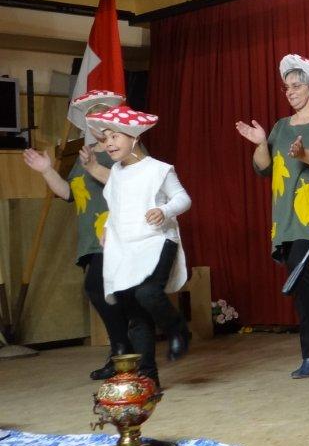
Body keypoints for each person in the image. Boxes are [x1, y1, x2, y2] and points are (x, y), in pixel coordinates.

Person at [235, 54, 309, 379]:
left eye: (296, 86)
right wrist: (260, 144)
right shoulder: (281, 127)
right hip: (285, 211)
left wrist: (304, 154)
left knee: (302, 268)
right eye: (287, 87)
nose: (290, 92)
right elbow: (263, 168)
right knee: (296, 281)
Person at [21, 90, 132, 380]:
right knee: (105, 293)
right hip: (90, 239)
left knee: (98, 289)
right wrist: (46, 170)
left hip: (114, 234)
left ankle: (123, 352)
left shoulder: (122, 150)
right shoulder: (87, 153)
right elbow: (69, 193)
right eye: (89, 116)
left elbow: (129, 185)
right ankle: (123, 353)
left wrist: (95, 167)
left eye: (99, 114)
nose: (93, 121)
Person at [85, 104, 191, 389]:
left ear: (134, 138)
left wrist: (165, 210)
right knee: (135, 311)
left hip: (158, 241)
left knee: (147, 292)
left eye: (115, 136)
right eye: (105, 137)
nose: (108, 142)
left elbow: (183, 199)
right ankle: (148, 376)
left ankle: (177, 328)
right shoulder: (117, 173)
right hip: (126, 246)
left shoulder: (159, 169)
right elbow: (117, 207)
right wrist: (108, 231)